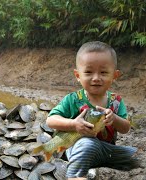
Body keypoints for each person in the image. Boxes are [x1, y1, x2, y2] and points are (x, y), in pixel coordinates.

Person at [46, 41, 137, 179]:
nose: (96, 78)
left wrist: (114, 119)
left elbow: (125, 128)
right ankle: (75, 176)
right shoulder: (73, 99)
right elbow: (51, 120)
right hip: (78, 147)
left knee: (135, 156)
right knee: (87, 144)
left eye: (104, 72)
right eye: (88, 72)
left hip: (105, 150)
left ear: (115, 76)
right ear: (78, 75)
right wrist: (74, 124)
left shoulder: (116, 101)